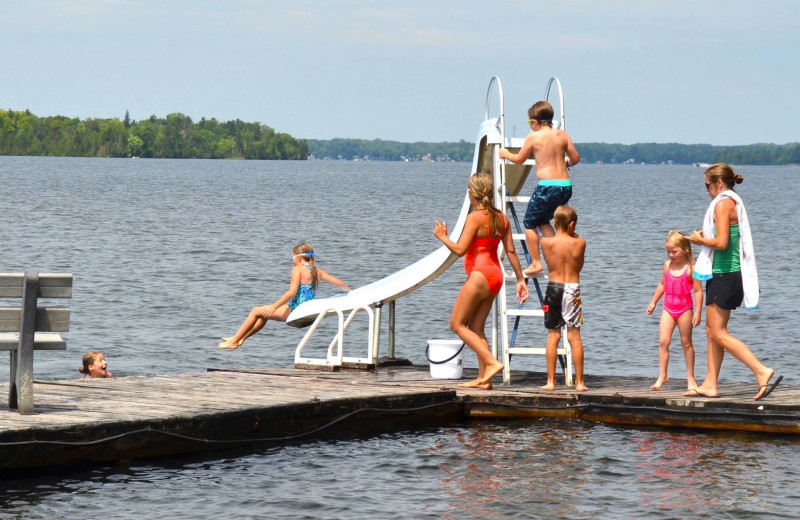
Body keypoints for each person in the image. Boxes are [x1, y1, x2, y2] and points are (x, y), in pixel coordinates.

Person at [684, 163, 781, 400]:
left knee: (716, 332)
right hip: (726, 273)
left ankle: (760, 370)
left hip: (724, 274)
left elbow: (722, 243)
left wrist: (699, 241)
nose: (706, 190)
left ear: (718, 183)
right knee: (712, 331)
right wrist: (707, 237)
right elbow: (723, 238)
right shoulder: (731, 202)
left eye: (707, 185)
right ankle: (710, 384)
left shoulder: (723, 203)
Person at [433, 172, 529, 389]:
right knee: (476, 327)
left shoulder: (475, 217)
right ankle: (483, 379)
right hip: (496, 275)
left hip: (480, 275)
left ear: (471, 193)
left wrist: (443, 237)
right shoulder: (501, 217)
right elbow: (511, 252)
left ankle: (492, 362)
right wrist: (520, 280)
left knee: (456, 324)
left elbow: (460, 250)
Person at [499, 100, 580, 276]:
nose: (530, 126)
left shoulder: (533, 137)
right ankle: (559, 253)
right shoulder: (562, 135)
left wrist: (505, 154)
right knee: (543, 220)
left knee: (529, 223)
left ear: (535, 122)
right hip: (565, 187)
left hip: (547, 187)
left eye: (530, 123)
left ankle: (536, 263)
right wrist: (566, 161)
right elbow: (575, 158)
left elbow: (520, 159)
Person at [218, 242, 351, 349]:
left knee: (255, 311)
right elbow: (339, 283)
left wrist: (273, 306)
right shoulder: (318, 272)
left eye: (292, 258)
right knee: (262, 315)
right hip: (304, 309)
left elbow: (292, 292)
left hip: (295, 309)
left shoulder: (297, 269)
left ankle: (234, 341)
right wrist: (350, 292)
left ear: (298, 258)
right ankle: (240, 338)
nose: (292, 262)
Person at [645, 231, 703, 390]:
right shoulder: (667, 266)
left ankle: (691, 378)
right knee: (663, 341)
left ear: (684, 249)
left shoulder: (691, 268)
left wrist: (698, 312)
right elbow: (662, 284)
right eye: (668, 251)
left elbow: (698, 291)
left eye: (674, 251)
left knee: (686, 343)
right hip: (668, 307)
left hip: (685, 308)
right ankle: (662, 375)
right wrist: (653, 302)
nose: (671, 255)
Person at [540, 205, 587, 392]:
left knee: (553, 335)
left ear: (555, 222)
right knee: (574, 336)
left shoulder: (546, 243)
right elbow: (579, 267)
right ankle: (580, 383)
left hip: (553, 287)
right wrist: (574, 235)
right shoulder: (580, 243)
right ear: (572, 224)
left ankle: (551, 382)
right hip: (572, 289)